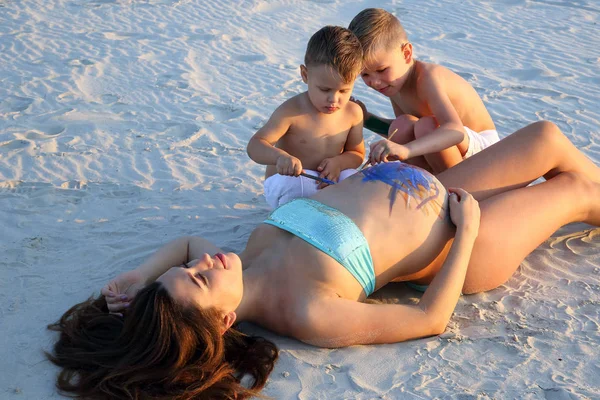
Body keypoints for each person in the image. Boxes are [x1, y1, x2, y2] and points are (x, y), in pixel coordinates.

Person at [48, 121, 600, 399]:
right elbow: (428, 320)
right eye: (198, 279)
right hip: (466, 240)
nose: (204, 261)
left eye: (188, 269)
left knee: (549, 139)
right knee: (577, 189)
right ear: (224, 320)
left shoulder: (247, 260)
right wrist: (470, 227)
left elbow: (186, 244)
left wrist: (141, 276)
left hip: (437, 184)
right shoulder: (305, 312)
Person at [348, 8, 499, 174]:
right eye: (365, 74)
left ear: (406, 53)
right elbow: (403, 132)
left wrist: (407, 151)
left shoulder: (428, 78)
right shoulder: (395, 82)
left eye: (382, 70)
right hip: (447, 147)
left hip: (485, 152)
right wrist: (367, 119)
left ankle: (452, 185)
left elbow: (455, 131)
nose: (375, 82)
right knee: (402, 125)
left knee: (426, 126)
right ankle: (428, 182)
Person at [246, 25, 365, 209]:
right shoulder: (292, 111)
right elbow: (255, 145)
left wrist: (338, 163)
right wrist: (280, 158)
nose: (334, 99)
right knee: (293, 187)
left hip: (327, 182)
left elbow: (357, 154)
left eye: (344, 90)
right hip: (294, 182)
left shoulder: (353, 113)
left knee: (355, 180)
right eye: (324, 89)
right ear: (305, 75)